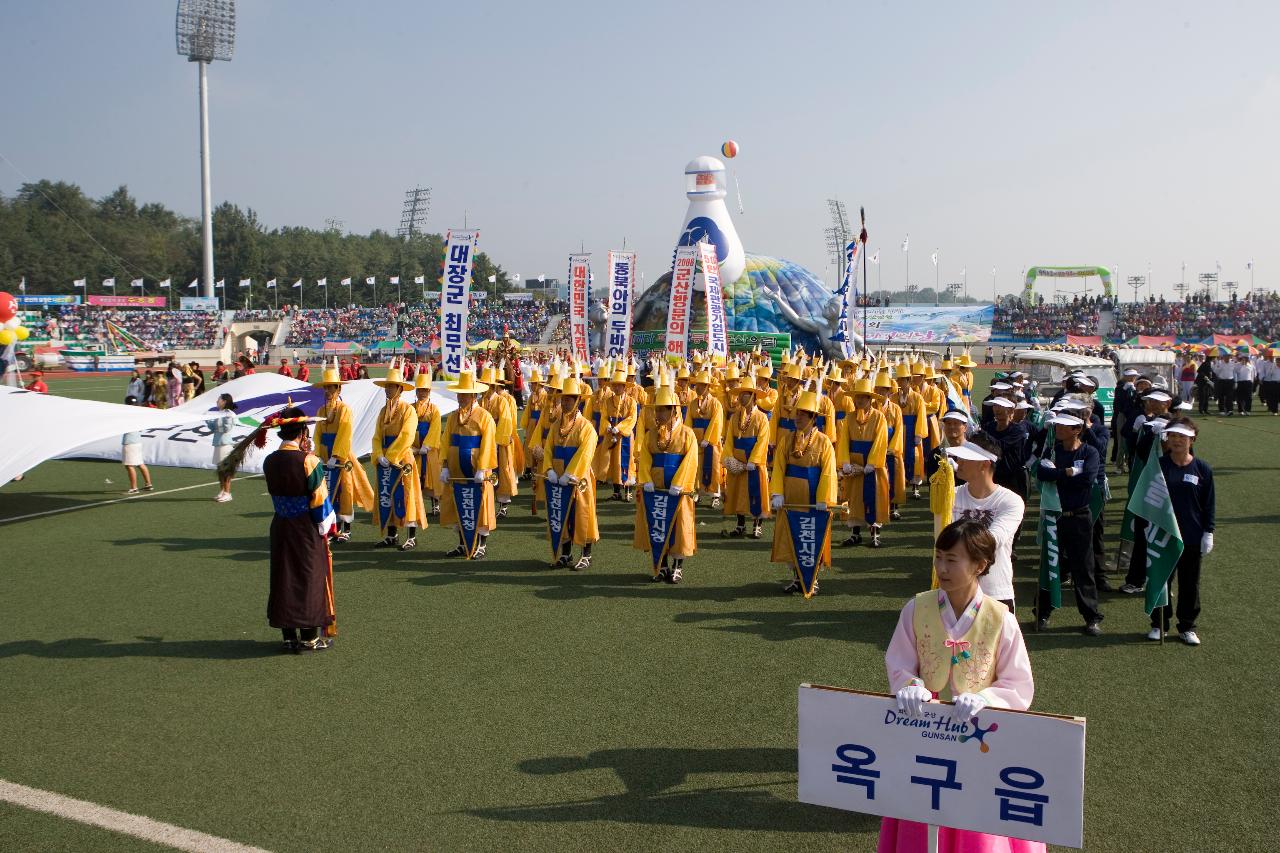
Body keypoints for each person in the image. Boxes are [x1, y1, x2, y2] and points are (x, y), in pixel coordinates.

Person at [881, 519, 1039, 853]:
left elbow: (1018, 683)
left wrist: (986, 698)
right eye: (938, 557)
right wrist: (909, 685)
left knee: (976, 825)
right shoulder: (917, 607)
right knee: (921, 815)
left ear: (979, 565)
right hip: (924, 733)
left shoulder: (1000, 618)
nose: (942, 568)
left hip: (978, 738)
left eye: (952, 560)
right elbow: (899, 661)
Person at [262, 406, 337, 654]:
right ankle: (309, 638)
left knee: (284, 575)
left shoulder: (269, 460)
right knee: (308, 576)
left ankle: (288, 636)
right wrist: (328, 526)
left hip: (281, 524)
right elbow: (319, 500)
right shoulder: (309, 461)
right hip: (305, 527)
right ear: (303, 433)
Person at [1033, 413, 1103, 635]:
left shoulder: (1089, 452)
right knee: (1050, 564)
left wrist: (1057, 475)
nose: (1058, 428)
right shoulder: (1052, 451)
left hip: (1080, 517)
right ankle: (1042, 613)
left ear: (1076, 430)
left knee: (1084, 567)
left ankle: (1091, 617)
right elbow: (1042, 472)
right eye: (1058, 425)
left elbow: (1087, 480)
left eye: (1064, 426)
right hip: (1054, 517)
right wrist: (1067, 472)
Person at [1148, 417, 1215, 645]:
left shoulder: (1202, 468)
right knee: (1161, 580)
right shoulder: (1159, 465)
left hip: (1192, 536)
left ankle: (1187, 626)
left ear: (1192, 439)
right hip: (1163, 534)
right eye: (1173, 436)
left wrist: (1209, 532)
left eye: (1182, 436)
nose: (1176, 440)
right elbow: (1148, 498)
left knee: (1189, 583)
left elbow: (1208, 504)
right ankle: (1159, 624)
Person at [770, 381, 837, 595]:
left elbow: (828, 471)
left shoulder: (824, 442)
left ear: (813, 418)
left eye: (803, 414)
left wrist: (823, 497)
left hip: (812, 498)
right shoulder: (787, 439)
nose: (797, 417)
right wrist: (777, 492)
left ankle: (813, 577)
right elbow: (779, 467)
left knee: (811, 536)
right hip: (791, 498)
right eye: (797, 413)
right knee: (793, 536)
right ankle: (797, 578)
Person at [947, 434, 1026, 612]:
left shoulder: (1010, 501)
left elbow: (992, 540)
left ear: (985, 464)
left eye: (965, 458)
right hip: (954, 591)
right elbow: (942, 539)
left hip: (995, 593)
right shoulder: (949, 495)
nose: (959, 461)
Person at [635, 377, 699, 583]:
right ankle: (661, 565)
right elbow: (644, 458)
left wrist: (680, 483)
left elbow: (691, 460)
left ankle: (677, 566)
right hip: (656, 490)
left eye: (663, 410)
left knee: (678, 526)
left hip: (676, 491)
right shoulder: (650, 435)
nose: (658, 414)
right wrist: (645, 479)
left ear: (673, 411)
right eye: (656, 409)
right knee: (657, 524)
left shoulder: (687, 434)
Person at [439, 367, 498, 559]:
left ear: (474, 395)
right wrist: (445, 465)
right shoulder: (453, 417)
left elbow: (488, 443)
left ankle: (480, 544)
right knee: (459, 504)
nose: (461, 397)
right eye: (459, 394)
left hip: (476, 471)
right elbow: (446, 441)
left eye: (465, 394)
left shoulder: (484, 416)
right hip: (457, 471)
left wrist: (482, 468)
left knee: (480, 505)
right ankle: (462, 543)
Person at [541, 376, 599, 570]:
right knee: (560, 513)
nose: (564, 402)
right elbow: (548, 448)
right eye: (563, 398)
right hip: (557, 477)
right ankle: (565, 553)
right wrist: (548, 468)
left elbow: (586, 452)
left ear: (577, 401)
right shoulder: (556, 425)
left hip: (577, 479)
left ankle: (586, 554)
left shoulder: (586, 427)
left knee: (582, 514)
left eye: (569, 399)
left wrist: (571, 473)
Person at [313, 359, 374, 543]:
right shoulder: (322, 409)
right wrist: (318, 453)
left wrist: (336, 455)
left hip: (340, 456)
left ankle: (346, 527)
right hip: (325, 455)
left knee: (344, 491)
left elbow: (344, 434)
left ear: (339, 389)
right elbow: (317, 433)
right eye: (326, 387)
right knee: (327, 492)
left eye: (332, 387)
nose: (328, 391)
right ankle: (332, 527)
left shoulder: (344, 410)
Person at [371, 362, 427, 550]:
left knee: (406, 494)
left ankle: (411, 535)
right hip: (385, 458)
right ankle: (391, 533)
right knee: (387, 493)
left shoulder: (408, 410)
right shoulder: (382, 411)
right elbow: (377, 436)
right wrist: (378, 454)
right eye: (387, 386)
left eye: (391, 386)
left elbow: (407, 435)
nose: (388, 389)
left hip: (402, 459)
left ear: (400, 389)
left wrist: (392, 455)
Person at [837, 376, 889, 548]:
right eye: (857, 397)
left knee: (874, 496)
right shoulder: (849, 418)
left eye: (862, 397)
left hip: (870, 465)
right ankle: (855, 533)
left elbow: (880, 440)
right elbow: (843, 440)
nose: (858, 400)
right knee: (854, 497)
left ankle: (875, 532)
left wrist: (871, 464)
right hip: (854, 464)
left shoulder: (879, 417)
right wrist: (845, 462)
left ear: (870, 399)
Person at [722, 377, 771, 539]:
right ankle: (740, 524)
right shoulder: (735, 416)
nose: (741, 397)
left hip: (753, 464)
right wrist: (728, 457)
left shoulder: (761, 418)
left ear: (752, 396)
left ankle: (757, 525)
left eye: (745, 394)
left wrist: (754, 460)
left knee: (756, 493)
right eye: (741, 394)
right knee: (738, 493)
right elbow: (729, 438)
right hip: (738, 462)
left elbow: (763, 440)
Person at [593, 366, 640, 503]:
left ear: (624, 387)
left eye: (620, 385)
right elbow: (604, 416)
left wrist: (619, 428)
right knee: (613, 462)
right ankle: (616, 491)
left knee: (626, 461)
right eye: (615, 385)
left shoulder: (631, 401)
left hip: (623, 435)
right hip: (611, 434)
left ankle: (628, 490)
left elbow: (632, 418)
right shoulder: (608, 401)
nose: (617, 388)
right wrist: (607, 425)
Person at [480, 363, 520, 518]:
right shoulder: (482, 401)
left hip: (497, 439)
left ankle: (503, 504)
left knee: (502, 469)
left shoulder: (501, 401)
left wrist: (499, 439)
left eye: (486, 384)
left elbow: (505, 420)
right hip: (485, 439)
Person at [688, 370, 725, 507]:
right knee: (697, 467)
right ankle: (697, 491)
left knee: (713, 466)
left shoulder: (715, 403)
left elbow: (717, 421)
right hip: (696, 440)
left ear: (708, 387)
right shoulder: (692, 403)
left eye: (702, 385)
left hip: (710, 442)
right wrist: (690, 437)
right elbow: (688, 422)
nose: (698, 388)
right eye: (697, 385)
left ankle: (715, 494)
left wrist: (708, 438)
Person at [411, 368, 443, 518]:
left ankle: (435, 504)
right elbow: (407, 427)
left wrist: (427, 445)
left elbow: (436, 427)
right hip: (414, 446)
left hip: (428, 447)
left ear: (429, 391)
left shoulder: (434, 409)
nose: (421, 393)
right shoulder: (411, 408)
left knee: (432, 475)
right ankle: (416, 505)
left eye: (424, 390)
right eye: (419, 390)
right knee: (415, 476)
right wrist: (411, 446)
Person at [208, 393, 239, 503]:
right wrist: (207, 419)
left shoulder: (229, 414)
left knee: (225, 470)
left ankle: (227, 493)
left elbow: (226, 428)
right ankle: (222, 491)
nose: (217, 401)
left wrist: (219, 421)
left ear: (224, 402)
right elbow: (213, 428)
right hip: (218, 443)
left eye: (219, 399)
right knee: (220, 470)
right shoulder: (219, 413)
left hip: (225, 444)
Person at [121, 394, 153, 494]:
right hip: (138, 441)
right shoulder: (138, 413)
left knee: (129, 465)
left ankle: (134, 488)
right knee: (140, 463)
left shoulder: (127, 414)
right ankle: (148, 484)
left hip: (129, 441)